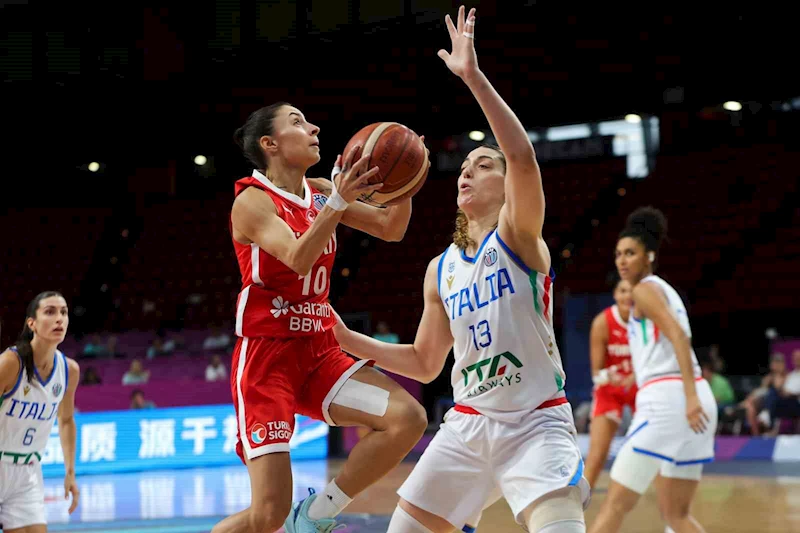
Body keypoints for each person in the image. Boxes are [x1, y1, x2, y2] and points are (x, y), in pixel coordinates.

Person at [332, 7, 590, 532]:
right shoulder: (440, 269)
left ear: (505, 185)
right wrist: (345, 337)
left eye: (484, 165)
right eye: (464, 168)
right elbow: (426, 363)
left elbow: (522, 157)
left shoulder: (518, 236)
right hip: (467, 428)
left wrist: (472, 77)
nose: (467, 173)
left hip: (536, 423)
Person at [211, 102, 428, 533]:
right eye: (297, 122)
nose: (313, 128)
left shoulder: (322, 191)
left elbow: (390, 228)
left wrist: (405, 180)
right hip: (267, 361)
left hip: (319, 352)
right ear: (270, 144)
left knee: (408, 419)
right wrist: (339, 201)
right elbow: (296, 257)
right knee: (268, 514)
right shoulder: (251, 202)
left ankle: (315, 513)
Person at [589, 207, 718, 533]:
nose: (622, 261)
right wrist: (692, 396)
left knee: (615, 505)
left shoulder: (644, 289)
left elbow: (679, 336)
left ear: (649, 256)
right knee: (676, 515)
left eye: (630, 253)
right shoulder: (665, 289)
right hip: (695, 400)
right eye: (618, 254)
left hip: (669, 402)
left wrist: (689, 397)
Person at [0, 291, 81, 531]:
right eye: (50, 312)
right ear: (32, 323)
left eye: (64, 312)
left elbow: (66, 420)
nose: (59, 319)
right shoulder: (10, 363)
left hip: (28, 473)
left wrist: (70, 472)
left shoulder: (69, 370)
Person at [584, 278, 636, 488]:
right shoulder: (603, 322)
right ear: (615, 294)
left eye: (632, 291)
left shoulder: (647, 319)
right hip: (610, 390)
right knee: (597, 455)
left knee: (656, 449)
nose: (628, 296)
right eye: (623, 291)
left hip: (639, 388)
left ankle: (669, 503)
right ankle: (579, 501)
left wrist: (636, 375)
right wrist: (610, 376)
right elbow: (596, 373)